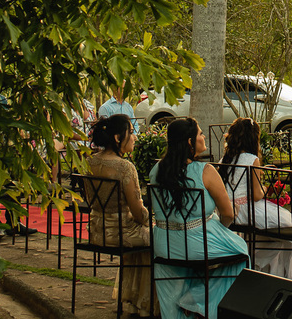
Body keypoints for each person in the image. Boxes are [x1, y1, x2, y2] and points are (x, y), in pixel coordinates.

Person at [148, 118, 248, 319]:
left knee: (175, 278)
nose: (203, 137)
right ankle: (197, 301)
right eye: (200, 134)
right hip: (198, 242)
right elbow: (228, 213)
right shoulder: (206, 171)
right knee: (242, 253)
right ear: (189, 142)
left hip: (163, 243)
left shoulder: (155, 171)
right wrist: (222, 228)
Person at [219, 117, 292, 280]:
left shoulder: (224, 160)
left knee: (278, 240)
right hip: (248, 211)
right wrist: (267, 189)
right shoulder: (251, 160)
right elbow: (256, 194)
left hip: (229, 210)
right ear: (253, 139)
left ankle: (267, 272)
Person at [87, 115, 153, 317]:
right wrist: (153, 219)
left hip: (96, 230)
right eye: (131, 133)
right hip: (120, 233)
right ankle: (146, 303)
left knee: (148, 234)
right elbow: (138, 213)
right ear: (117, 138)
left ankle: (135, 301)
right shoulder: (125, 167)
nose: (134, 137)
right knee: (160, 237)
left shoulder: (90, 161)